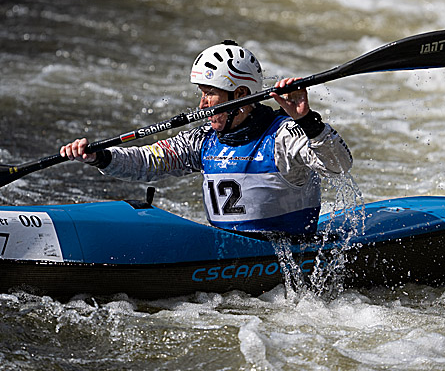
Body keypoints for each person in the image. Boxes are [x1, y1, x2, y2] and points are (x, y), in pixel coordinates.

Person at [60, 40, 353, 239]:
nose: (202, 104)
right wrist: (100, 156)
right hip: (228, 249)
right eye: (201, 93)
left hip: (288, 252)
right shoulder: (204, 140)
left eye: (209, 93)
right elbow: (148, 161)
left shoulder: (284, 135)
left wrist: (306, 120)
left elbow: (339, 165)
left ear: (239, 96)